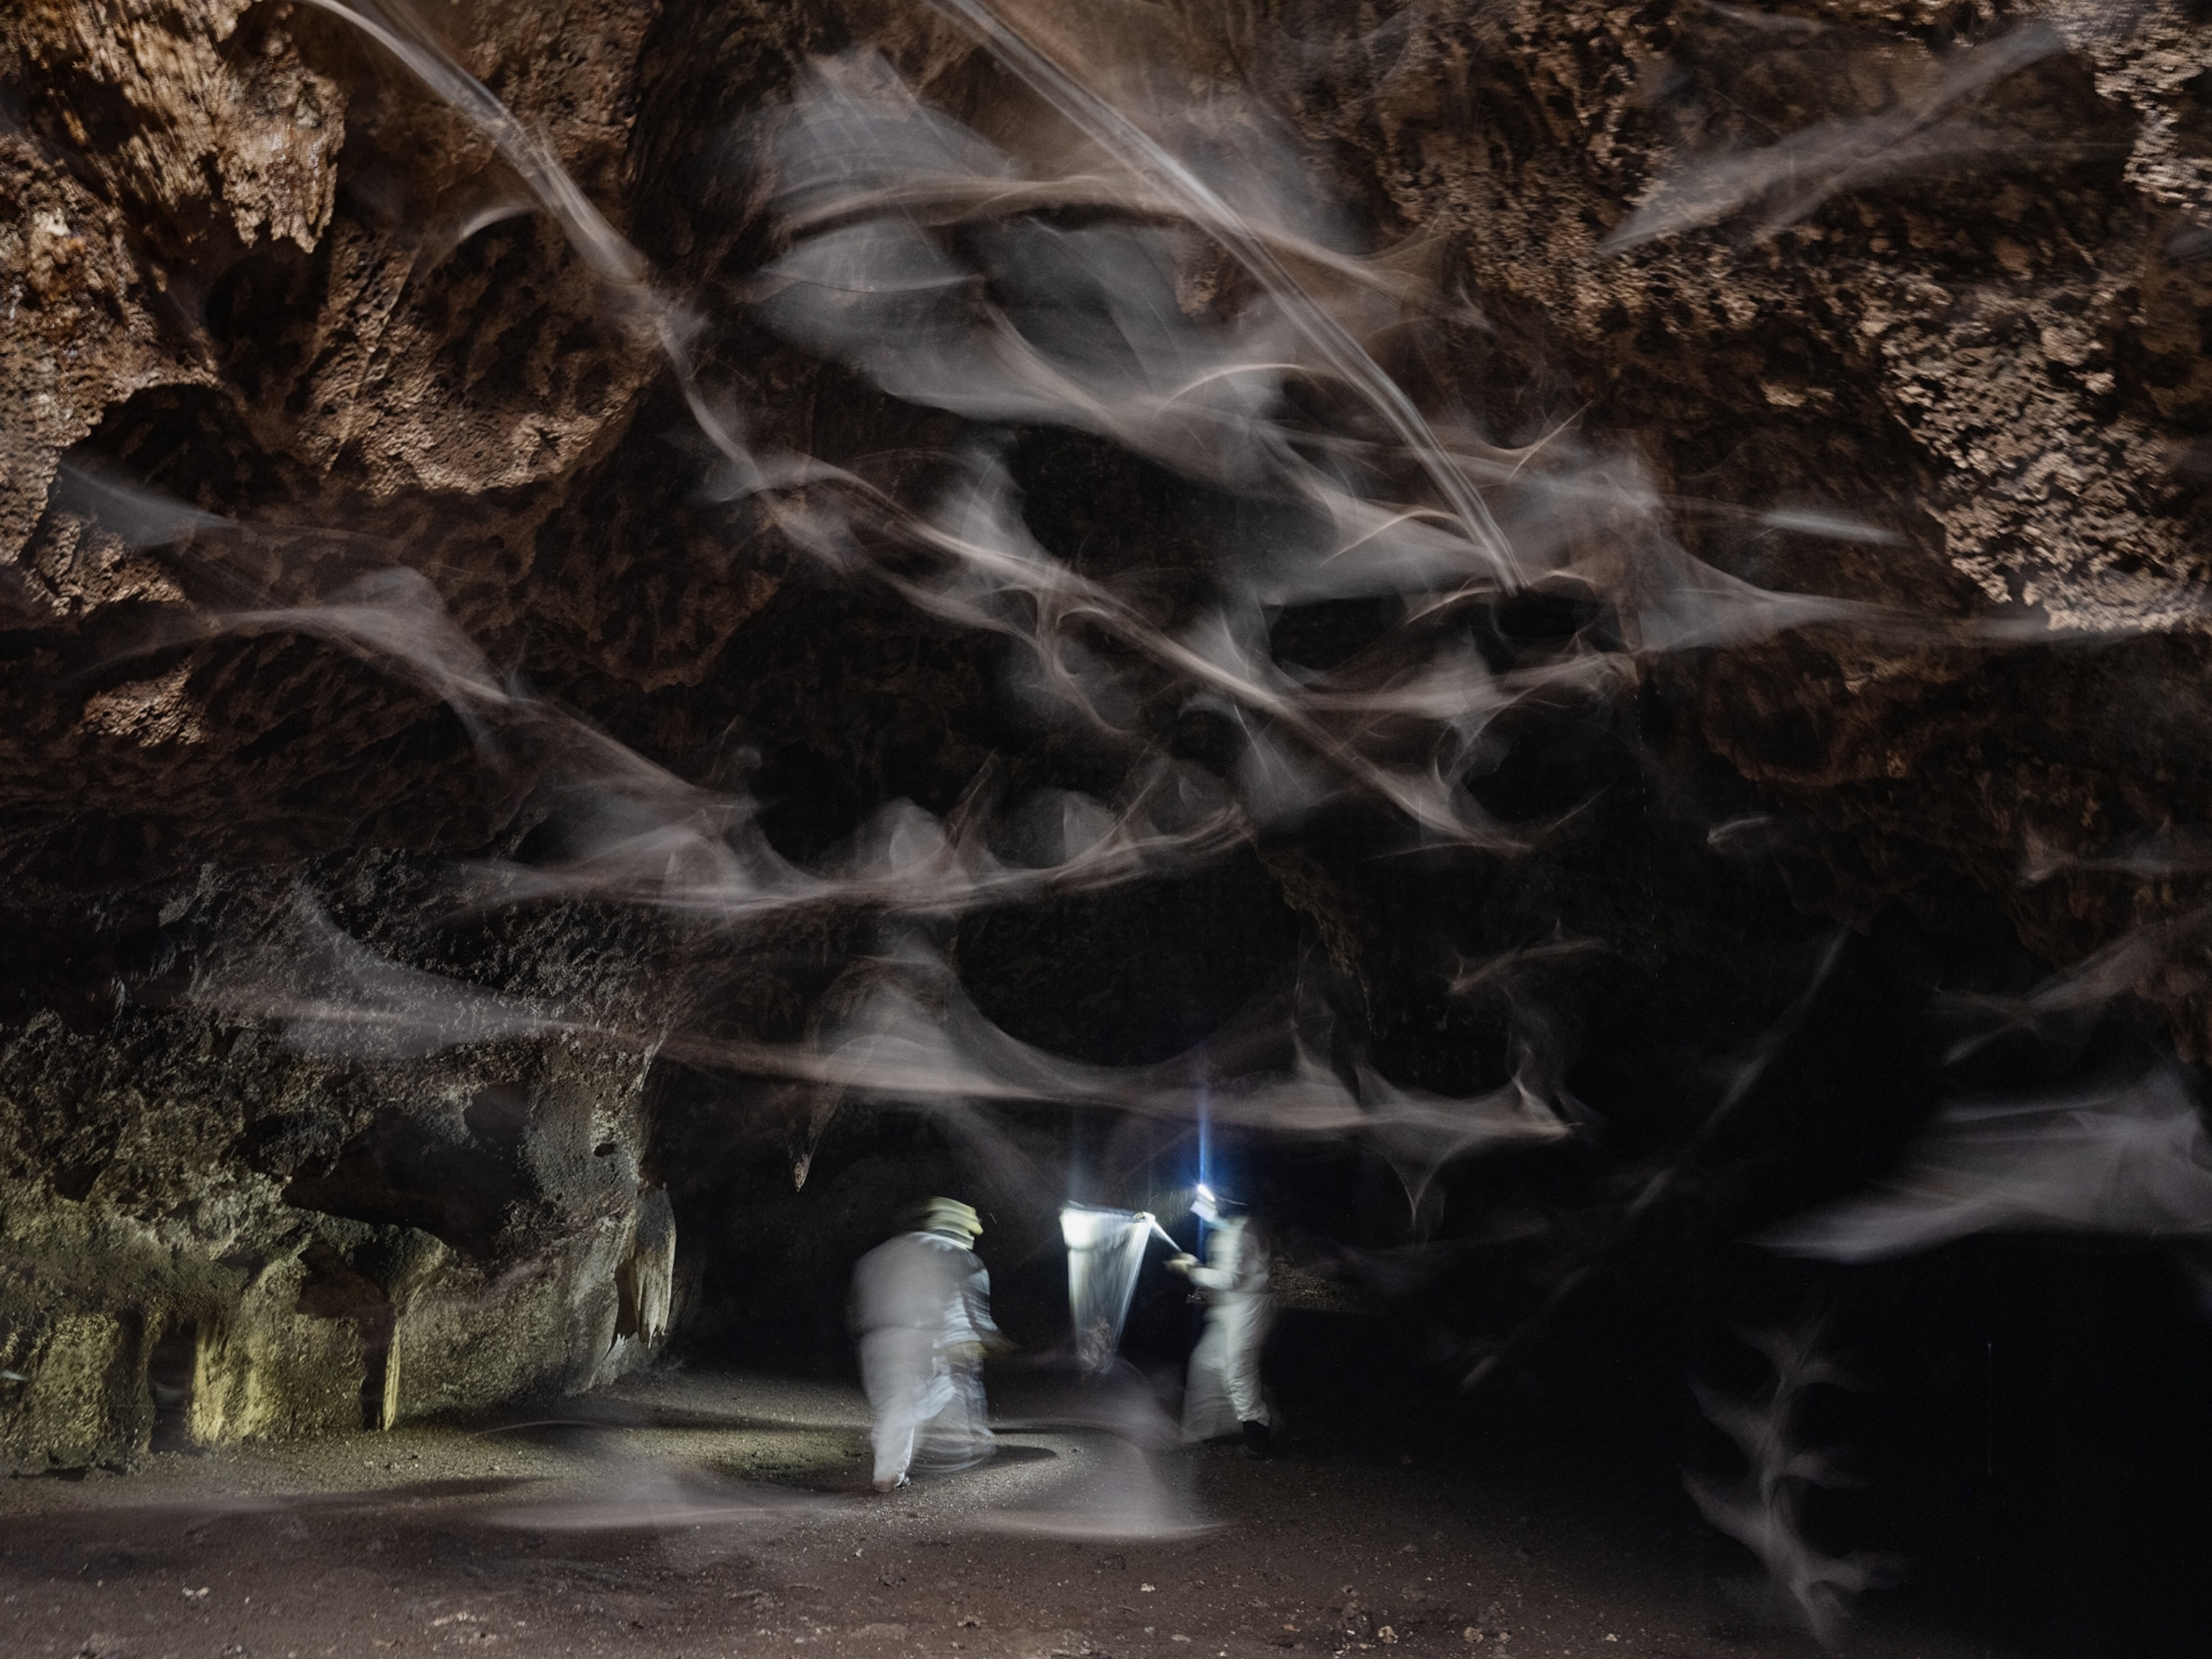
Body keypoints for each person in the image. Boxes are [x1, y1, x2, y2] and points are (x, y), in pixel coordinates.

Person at [849, 1196, 1002, 1491]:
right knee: (932, 1396)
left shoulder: (879, 1254)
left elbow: (859, 1302)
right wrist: (984, 1337)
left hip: (876, 1340)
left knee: (897, 1406)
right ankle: (963, 1444)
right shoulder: (961, 1257)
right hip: (923, 1340)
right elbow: (969, 1309)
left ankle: (893, 1469)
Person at [1166, 1184, 1275, 1457]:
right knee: (1206, 1363)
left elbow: (1231, 1279)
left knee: (1239, 1368)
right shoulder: (1232, 1228)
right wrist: (1196, 1267)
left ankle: (1258, 1440)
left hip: (1248, 1308)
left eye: (1209, 1201)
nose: (1202, 1207)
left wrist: (1193, 1270)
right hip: (1230, 1308)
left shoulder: (1241, 1231)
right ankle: (1208, 1431)